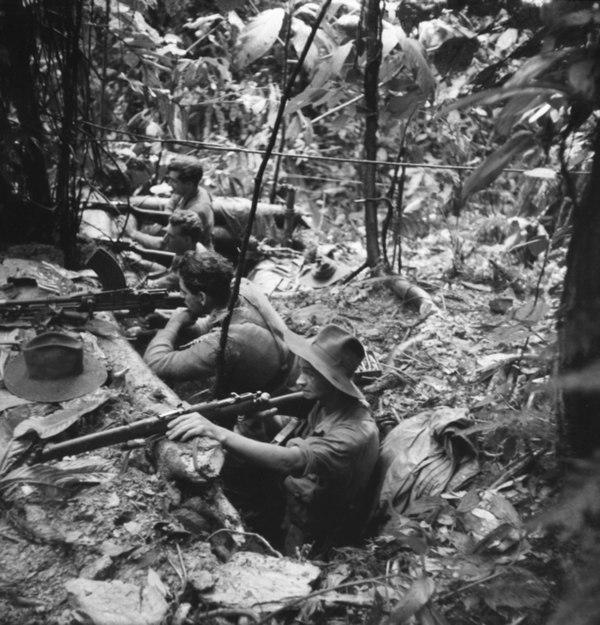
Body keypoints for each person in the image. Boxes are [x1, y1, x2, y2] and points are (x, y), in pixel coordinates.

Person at [166, 324, 380, 557]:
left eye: (310, 374)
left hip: (315, 535)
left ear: (335, 382)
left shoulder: (354, 435)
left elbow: (289, 461)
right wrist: (265, 421)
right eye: (303, 370)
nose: (299, 381)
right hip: (290, 504)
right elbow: (300, 434)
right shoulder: (328, 403)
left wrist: (218, 432)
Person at [143, 249, 293, 397]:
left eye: (184, 292)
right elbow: (210, 324)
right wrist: (180, 324)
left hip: (277, 394)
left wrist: (172, 325)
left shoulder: (227, 342)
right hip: (285, 363)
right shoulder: (240, 287)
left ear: (202, 297)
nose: (181, 296)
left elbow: (155, 364)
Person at [124, 154, 214, 249]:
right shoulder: (186, 190)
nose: (169, 183)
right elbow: (171, 204)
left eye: (174, 181)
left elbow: (164, 244)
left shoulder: (197, 211)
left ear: (189, 184)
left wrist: (133, 233)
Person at [139, 211, 210, 290]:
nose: (165, 239)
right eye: (166, 233)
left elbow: (164, 282)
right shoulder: (187, 249)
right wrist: (140, 262)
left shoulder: (193, 266)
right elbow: (169, 273)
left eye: (171, 236)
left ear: (187, 240)